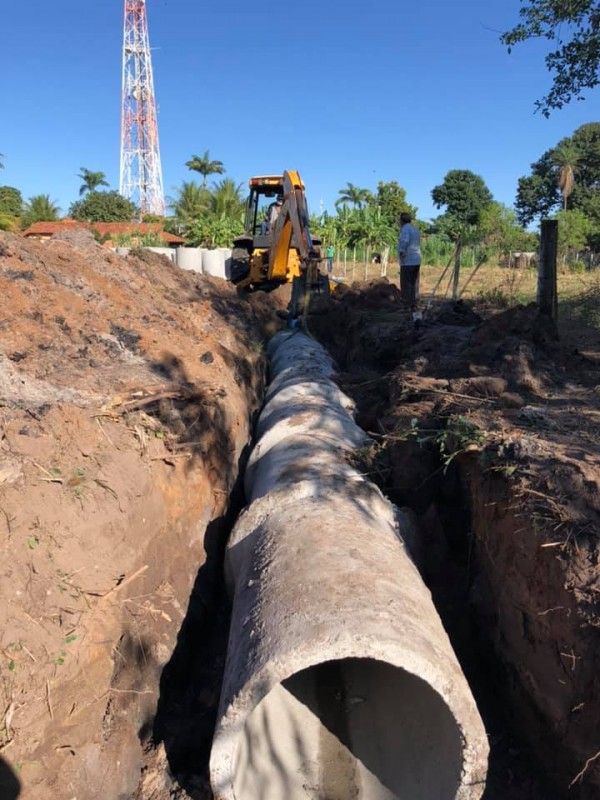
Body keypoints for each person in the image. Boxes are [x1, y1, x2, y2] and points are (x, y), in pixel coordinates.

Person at [397, 211, 421, 318]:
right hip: (416, 260)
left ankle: (406, 306)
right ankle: (414, 304)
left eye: (399, 220)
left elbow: (405, 241)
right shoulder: (415, 229)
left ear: (402, 220)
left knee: (406, 284)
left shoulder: (405, 229)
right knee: (414, 283)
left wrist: (401, 251)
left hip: (408, 260)